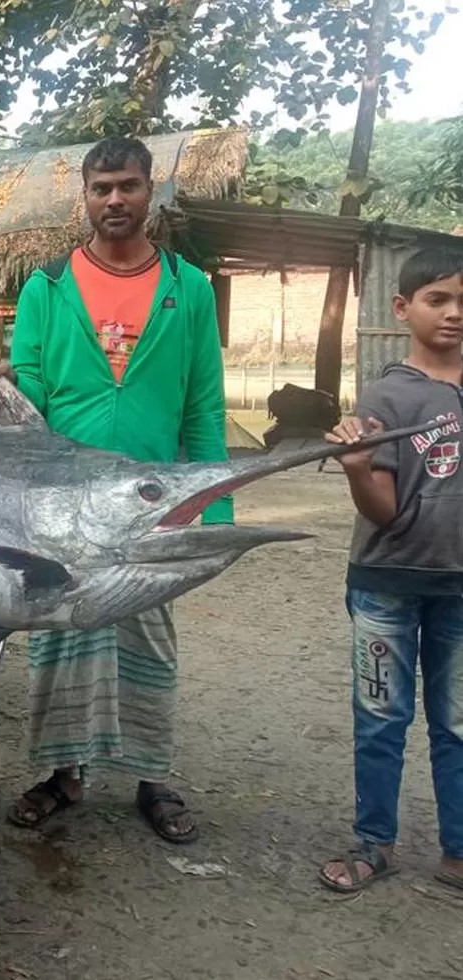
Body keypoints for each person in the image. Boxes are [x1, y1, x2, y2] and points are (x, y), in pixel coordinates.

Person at [5, 135, 230, 845]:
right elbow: (30, 390)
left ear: (150, 190)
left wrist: (213, 511)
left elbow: (204, 405)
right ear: (85, 194)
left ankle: (152, 775)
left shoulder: (186, 288)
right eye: (101, 188)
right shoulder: (46, 286)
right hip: (63, 500)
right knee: (63, 634)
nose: (114, 200)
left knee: (149, 635)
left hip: (150, 501)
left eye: (128, 186)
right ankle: (62, 775)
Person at [317, 247, 463, 894]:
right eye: (438, 300)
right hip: (385, 586)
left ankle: (459, 850)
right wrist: (354, 470)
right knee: (381, 718)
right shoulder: (386, 396)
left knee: (459, 723)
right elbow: (382, 509)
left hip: (459, 591)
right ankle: (375, 843)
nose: (454, 314)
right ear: (403, 309)